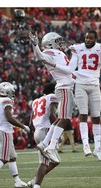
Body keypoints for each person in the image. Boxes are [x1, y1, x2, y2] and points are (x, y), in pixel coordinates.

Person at [51, 30, 101, 162]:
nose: (88, 40)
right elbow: (70, 68)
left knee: (96, 116)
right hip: (80, 85)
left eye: (91, 38)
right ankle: (86, 145)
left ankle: (98, 149)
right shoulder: (78, 48)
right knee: (83, 115)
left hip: (94, 85)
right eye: (87, 38)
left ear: (96, 39)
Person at [28, 31, 75, 163]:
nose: (61, 43)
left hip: (67, 86)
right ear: (50, 43)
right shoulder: (49, 53)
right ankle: (50, 145)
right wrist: (35, 45)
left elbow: (69, 72)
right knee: (65, 119)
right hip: (63, 87)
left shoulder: (60, 53)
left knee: (63, 118)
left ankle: (46, 145)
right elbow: (40, 56)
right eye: (58, 41)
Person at [28, 82, 59, 188]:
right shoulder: (51, 97)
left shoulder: (35, 101)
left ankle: (34, 181)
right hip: (46, 131)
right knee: (45, 162)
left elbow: (30, 123)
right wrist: (56, 133)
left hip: (38, 131)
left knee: (55, 161)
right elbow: (51, 115)